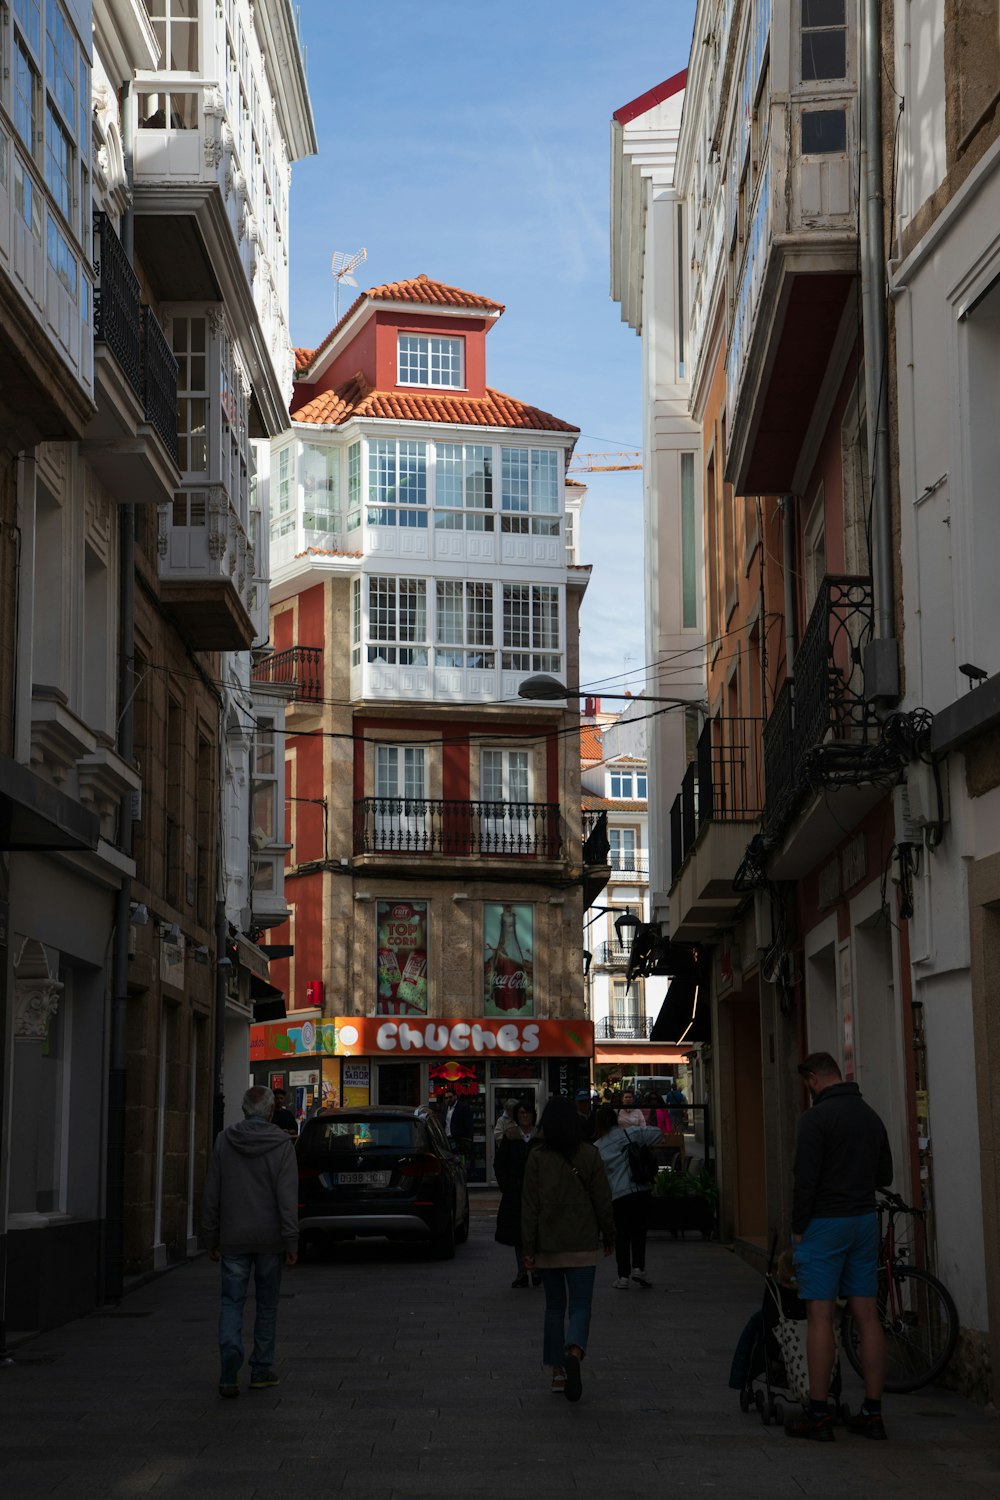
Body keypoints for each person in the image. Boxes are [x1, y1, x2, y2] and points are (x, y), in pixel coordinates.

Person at [784, 1052, 893, 1442]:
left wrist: (799, 1229)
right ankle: (872, 1412)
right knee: (867, 1317)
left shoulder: (815, 1120)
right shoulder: (870, 1116)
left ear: (814, 1079)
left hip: (825, 1223)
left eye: (806, 1084)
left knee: (820, 1317)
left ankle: (817, 1413)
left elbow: (805, 1179)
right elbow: (886, 1174)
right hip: (863, 1221)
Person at [201, 1085, 299, 1398]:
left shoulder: (223, 1140)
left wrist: (210, 1234)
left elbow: (212, 1192)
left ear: (244, 1110)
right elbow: (287, 1197)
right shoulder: (282, 1144)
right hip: (270, 1237)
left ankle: (230, 1364)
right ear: (271, 1112)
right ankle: (260, 1369)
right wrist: (291, 1239)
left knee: (231, 1301)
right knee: (267, 1304)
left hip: (233, 1236)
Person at [521, 1095, 615, 1401]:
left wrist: (528, 1247)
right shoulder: (590, 1155)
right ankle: (574, 1351)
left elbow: (530, 1206)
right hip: (582, 1241)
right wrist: (610, 1235)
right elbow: (602, 1198)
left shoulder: (536, 1157)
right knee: (580, 1305)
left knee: (554, 1307)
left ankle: (557, 1373)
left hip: (548, 1243)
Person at [593, 1103, 664, 1289]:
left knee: (622, 1235)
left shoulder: (598, 1147)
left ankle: (623, 1276)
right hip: (640, 1190)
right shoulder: (630, 1133)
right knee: (639, 1231)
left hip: (617, 1195)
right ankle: (639, 1268)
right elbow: (657, 1133)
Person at [494, 1101, 541, 1287]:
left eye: (527, 1113)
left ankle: (536, 1270)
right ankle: (522, 1272)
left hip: (536, 1191)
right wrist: (506, 1185)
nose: (524, 1116)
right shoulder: (511, 1136)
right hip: (516, 1191)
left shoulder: (540, 1137)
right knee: (518, 1233)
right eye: (521, 1113)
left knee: (536, 1231)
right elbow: (499, 1163)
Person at [442, 1088, 474, 1163]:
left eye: (450, 1097)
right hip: (447, 1139)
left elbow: (469, 1125)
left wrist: (468, 1140)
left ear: (455, 1097)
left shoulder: (462, 1107)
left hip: (458, 1140)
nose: (448, 1099)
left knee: (459, 1162)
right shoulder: (445, 1108)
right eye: (446, 1098)